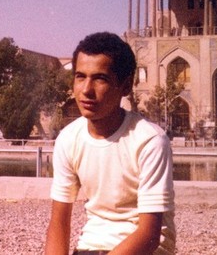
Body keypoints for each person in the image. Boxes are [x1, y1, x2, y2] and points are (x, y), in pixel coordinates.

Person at [44, 32, 175, 255]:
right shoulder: (69, 138)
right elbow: (59, 222)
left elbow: (149, 235)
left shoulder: (149, 141)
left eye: (100, 79)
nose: (86, 90)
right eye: (80, 77)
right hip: (91, 247)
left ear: (125, 86)